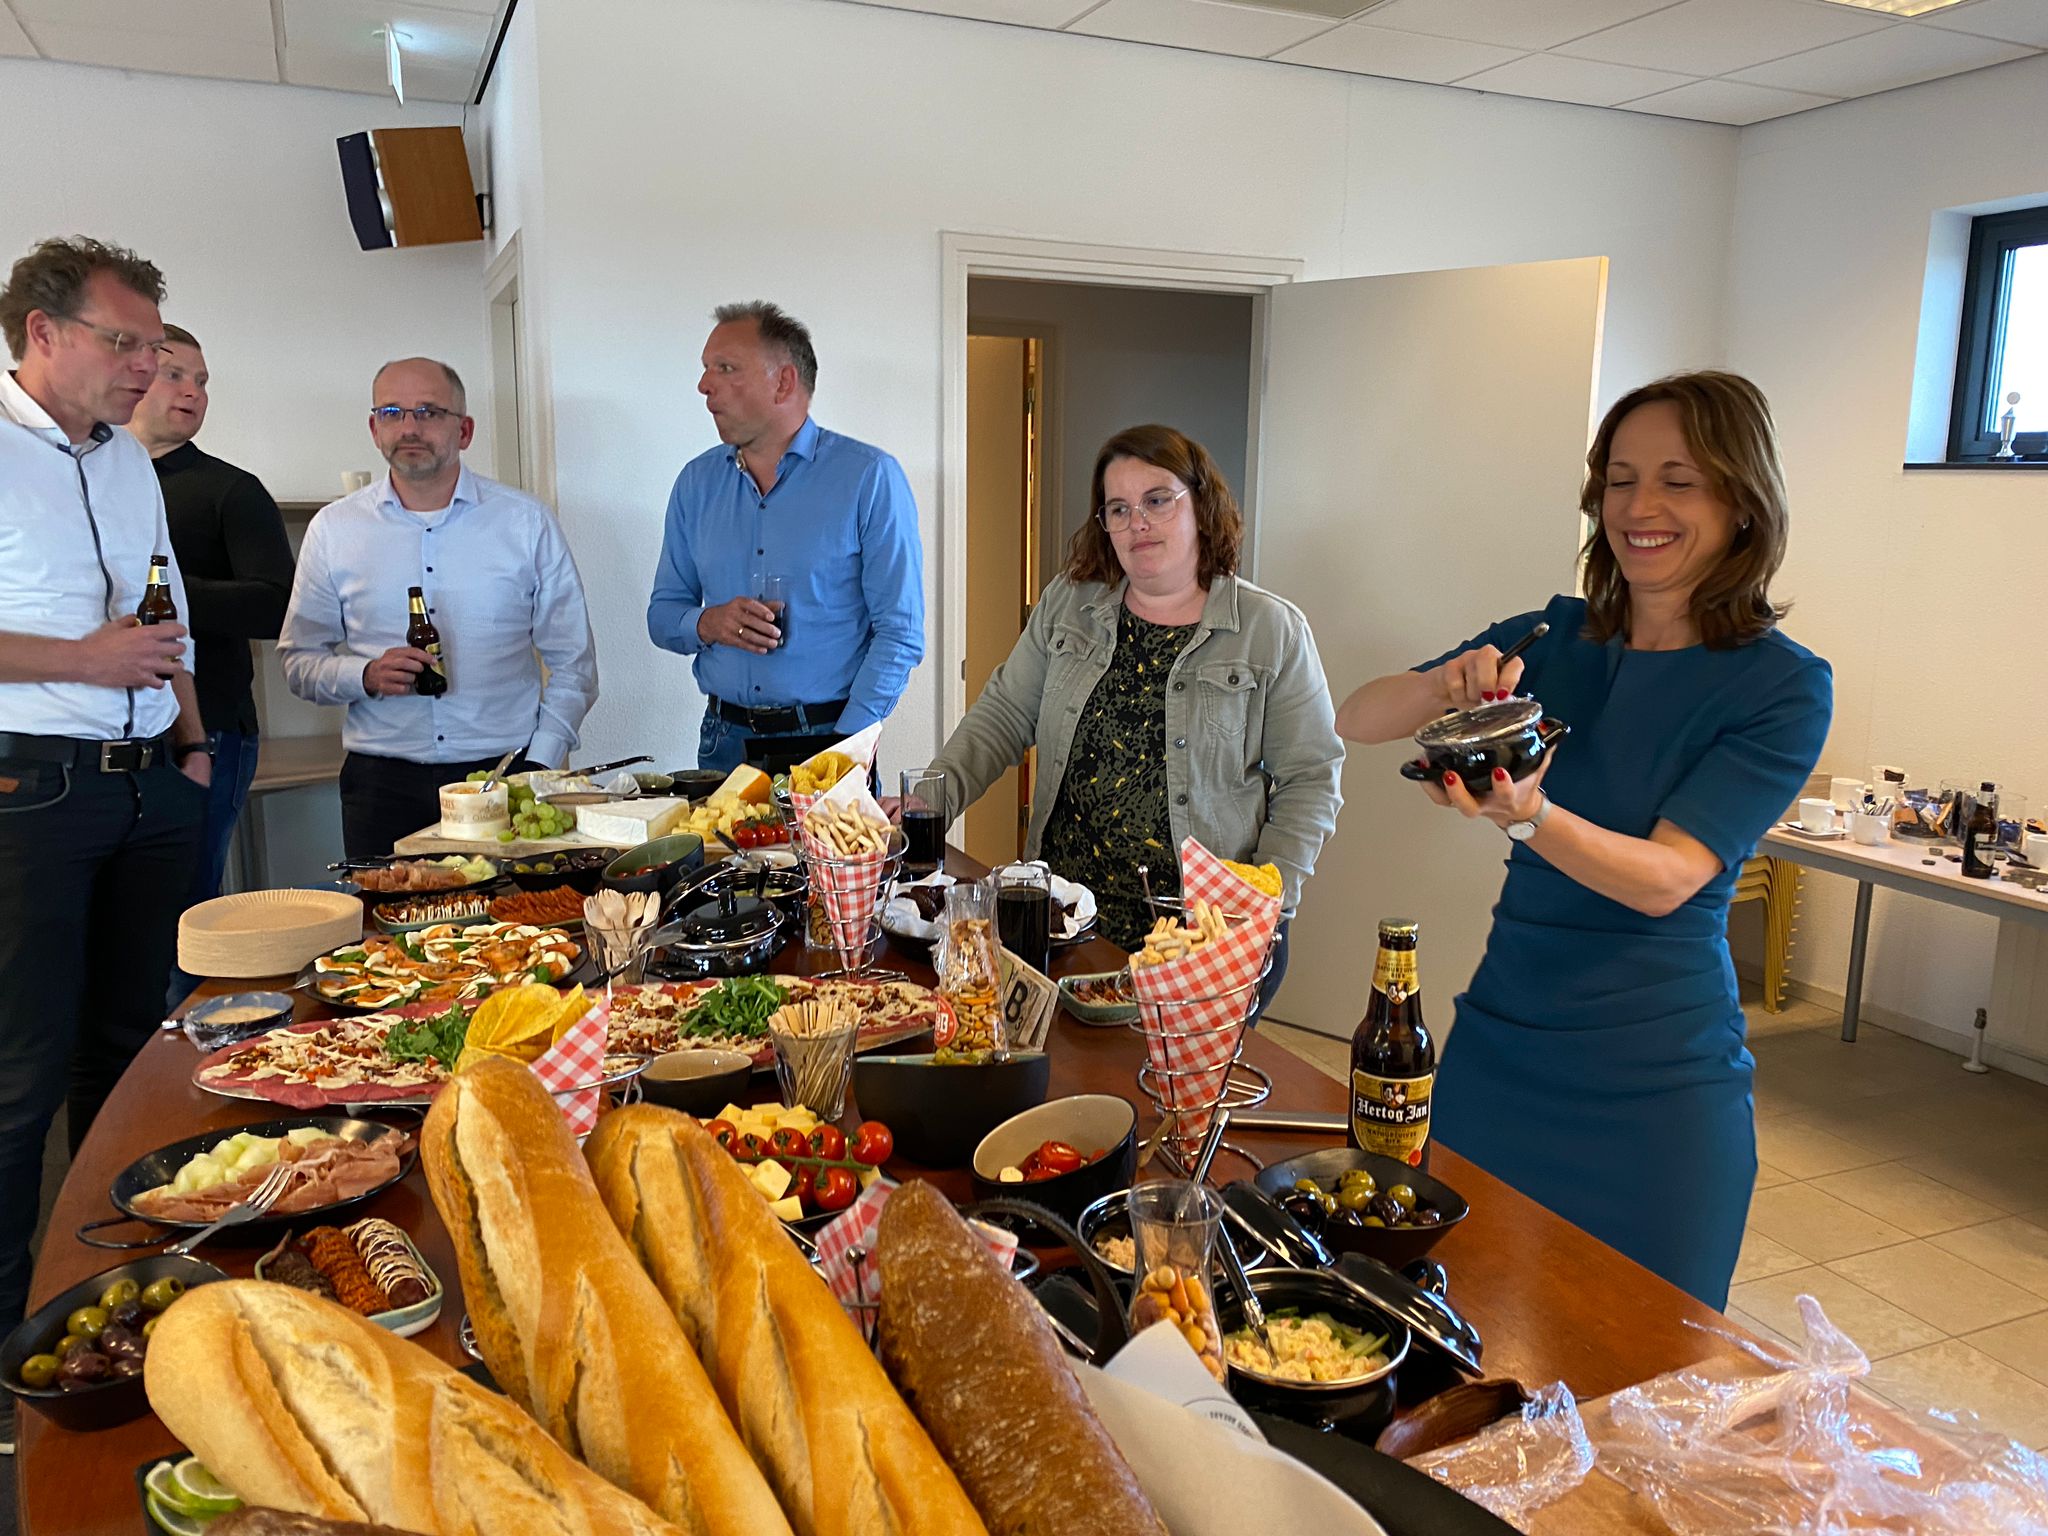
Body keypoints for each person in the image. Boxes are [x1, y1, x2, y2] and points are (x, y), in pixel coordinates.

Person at [1335, 371, 1832, 1309]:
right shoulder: (1553, 637)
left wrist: (1528, 814)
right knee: (1460, 1328)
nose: (1640, 508)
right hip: (1502, 1053)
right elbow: (1358, 717)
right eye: (1620, 480)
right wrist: (1449, 685)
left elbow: (1666, 879)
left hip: (1658, 1087)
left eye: (1679, 481)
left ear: (1742, 501)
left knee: (1646, 1355)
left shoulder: (1782, 687)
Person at [926, 424, 1344, 998]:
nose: (1137, 523)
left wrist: (1259, 907)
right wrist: (929, 801)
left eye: (1156, 501)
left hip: (1200, 939)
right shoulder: (1068, 603)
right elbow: (1002, 715)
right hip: (1063, 924)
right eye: (1118, 509)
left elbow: (1311, 781)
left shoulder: (1271, 630)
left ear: (1201, 505)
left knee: (1171, 1064)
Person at [0, 238, 212, 1357]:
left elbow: (163, 607)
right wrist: (81, 660)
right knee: (18, 1074)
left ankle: (109, 1291)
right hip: (29, 788)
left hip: (150, 784)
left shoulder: (127, 461)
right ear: (43, 332)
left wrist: (193, 743)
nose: (146, 368)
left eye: (152, 346)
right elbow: (104, 644)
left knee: (132, 1051)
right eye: (123, 342)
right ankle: (7, 1350)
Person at [279, 358, 597, 859]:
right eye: (392, 412)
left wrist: (538, 764)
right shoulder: (334, 530)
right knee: (385, 913)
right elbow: (299, 661)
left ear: (464, 430)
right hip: (381, 785)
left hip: (503, 777)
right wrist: (365, 675)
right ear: (374, 428)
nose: (410, 427)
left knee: (517, 912)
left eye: (428, 412)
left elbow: (575, 664)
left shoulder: (525, 523)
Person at [647, 302, 923, 774]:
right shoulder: (695, 484)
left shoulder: (869, 478)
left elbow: (900, 633)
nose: (704, 385)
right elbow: (662, 615)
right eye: (705, 369)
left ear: (784, 382)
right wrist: (709, 623)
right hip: (723, 742)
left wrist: (845, 749)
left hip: (829, 738)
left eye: (725, 368)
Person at [126, 323, 294, 914]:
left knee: (188, 903)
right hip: (111, 732)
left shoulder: (232, 490)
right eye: (175, 374)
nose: (192, 391)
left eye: (201, 381)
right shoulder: (96, 482)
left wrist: (159, 597)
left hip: (211, 726)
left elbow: (276, 606)